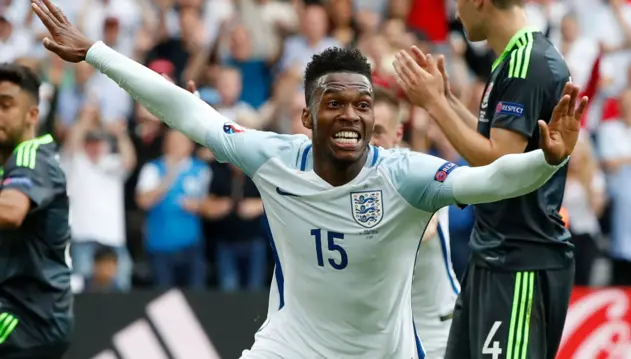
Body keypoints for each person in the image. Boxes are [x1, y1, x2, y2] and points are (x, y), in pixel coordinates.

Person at [32, 1, 585, 357]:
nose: (350, 115)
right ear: (306, 118)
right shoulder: (275, 159)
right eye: (334, 103)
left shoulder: (406, 175)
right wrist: (97, 53)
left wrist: (547, 161)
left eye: (362, 104)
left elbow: (488, 180)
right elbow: (188, 113)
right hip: (291, 347)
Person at [391, 0, 589, 358]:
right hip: (495, 253)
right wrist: (446, 99)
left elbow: (500, 162)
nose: (456, 13)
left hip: (521, 259)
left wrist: (434, 105)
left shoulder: (529, 64)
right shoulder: (513, 59)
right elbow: (493, 142)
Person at [370, 87, 459, 359]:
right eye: (363, 130)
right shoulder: (349, 179)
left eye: (377, 131)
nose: (369, 141)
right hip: (387, 332)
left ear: (398, 134)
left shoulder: (422, 172)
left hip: (438, 328)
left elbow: (425, 230)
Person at [0, 63, 72, 359]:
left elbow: (12, 211)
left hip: (29, 319)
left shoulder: (32, 156)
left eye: (5, 106)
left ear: (32, 115)